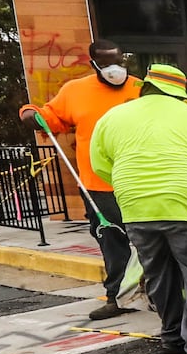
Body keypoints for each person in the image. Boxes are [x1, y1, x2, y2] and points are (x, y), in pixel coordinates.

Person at [89, 65, 187, 354]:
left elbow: (100, 164)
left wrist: (131, 188)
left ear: (145, 87)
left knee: (158, 272)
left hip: (137, 209)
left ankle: (171, 336)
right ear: (181, 93)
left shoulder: (112, 118)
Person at [18, 39, 141, 320]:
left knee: (151, 239)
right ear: (94, 64)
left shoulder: (139, 88)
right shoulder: (75, 91)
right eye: (107, 63)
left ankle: (159, 292)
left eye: (119, 61)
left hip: (140, 181)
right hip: (98, 184)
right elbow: (52, 118)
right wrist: (30, 113)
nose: (115, 68)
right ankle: (118, 296)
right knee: (111, 240)